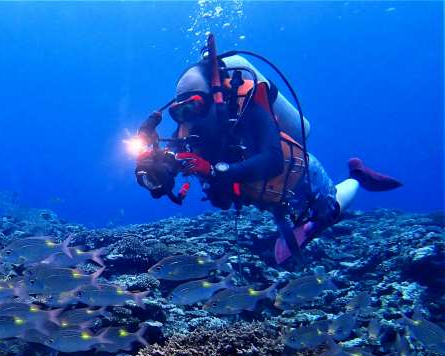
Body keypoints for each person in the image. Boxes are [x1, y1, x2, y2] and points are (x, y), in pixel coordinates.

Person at [133, 34, 401, 264]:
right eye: (180, 110)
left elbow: (273, 160)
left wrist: (214, 171)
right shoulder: (188, 124)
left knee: (330, 211)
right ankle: (301, 225)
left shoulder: (248, 99)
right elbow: (176, 160)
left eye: (193, 105)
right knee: (286, 252)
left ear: (212, 95)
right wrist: (157, 172)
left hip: (299, 176)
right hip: (266, 195)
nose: (188, 116)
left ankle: (357, 175)